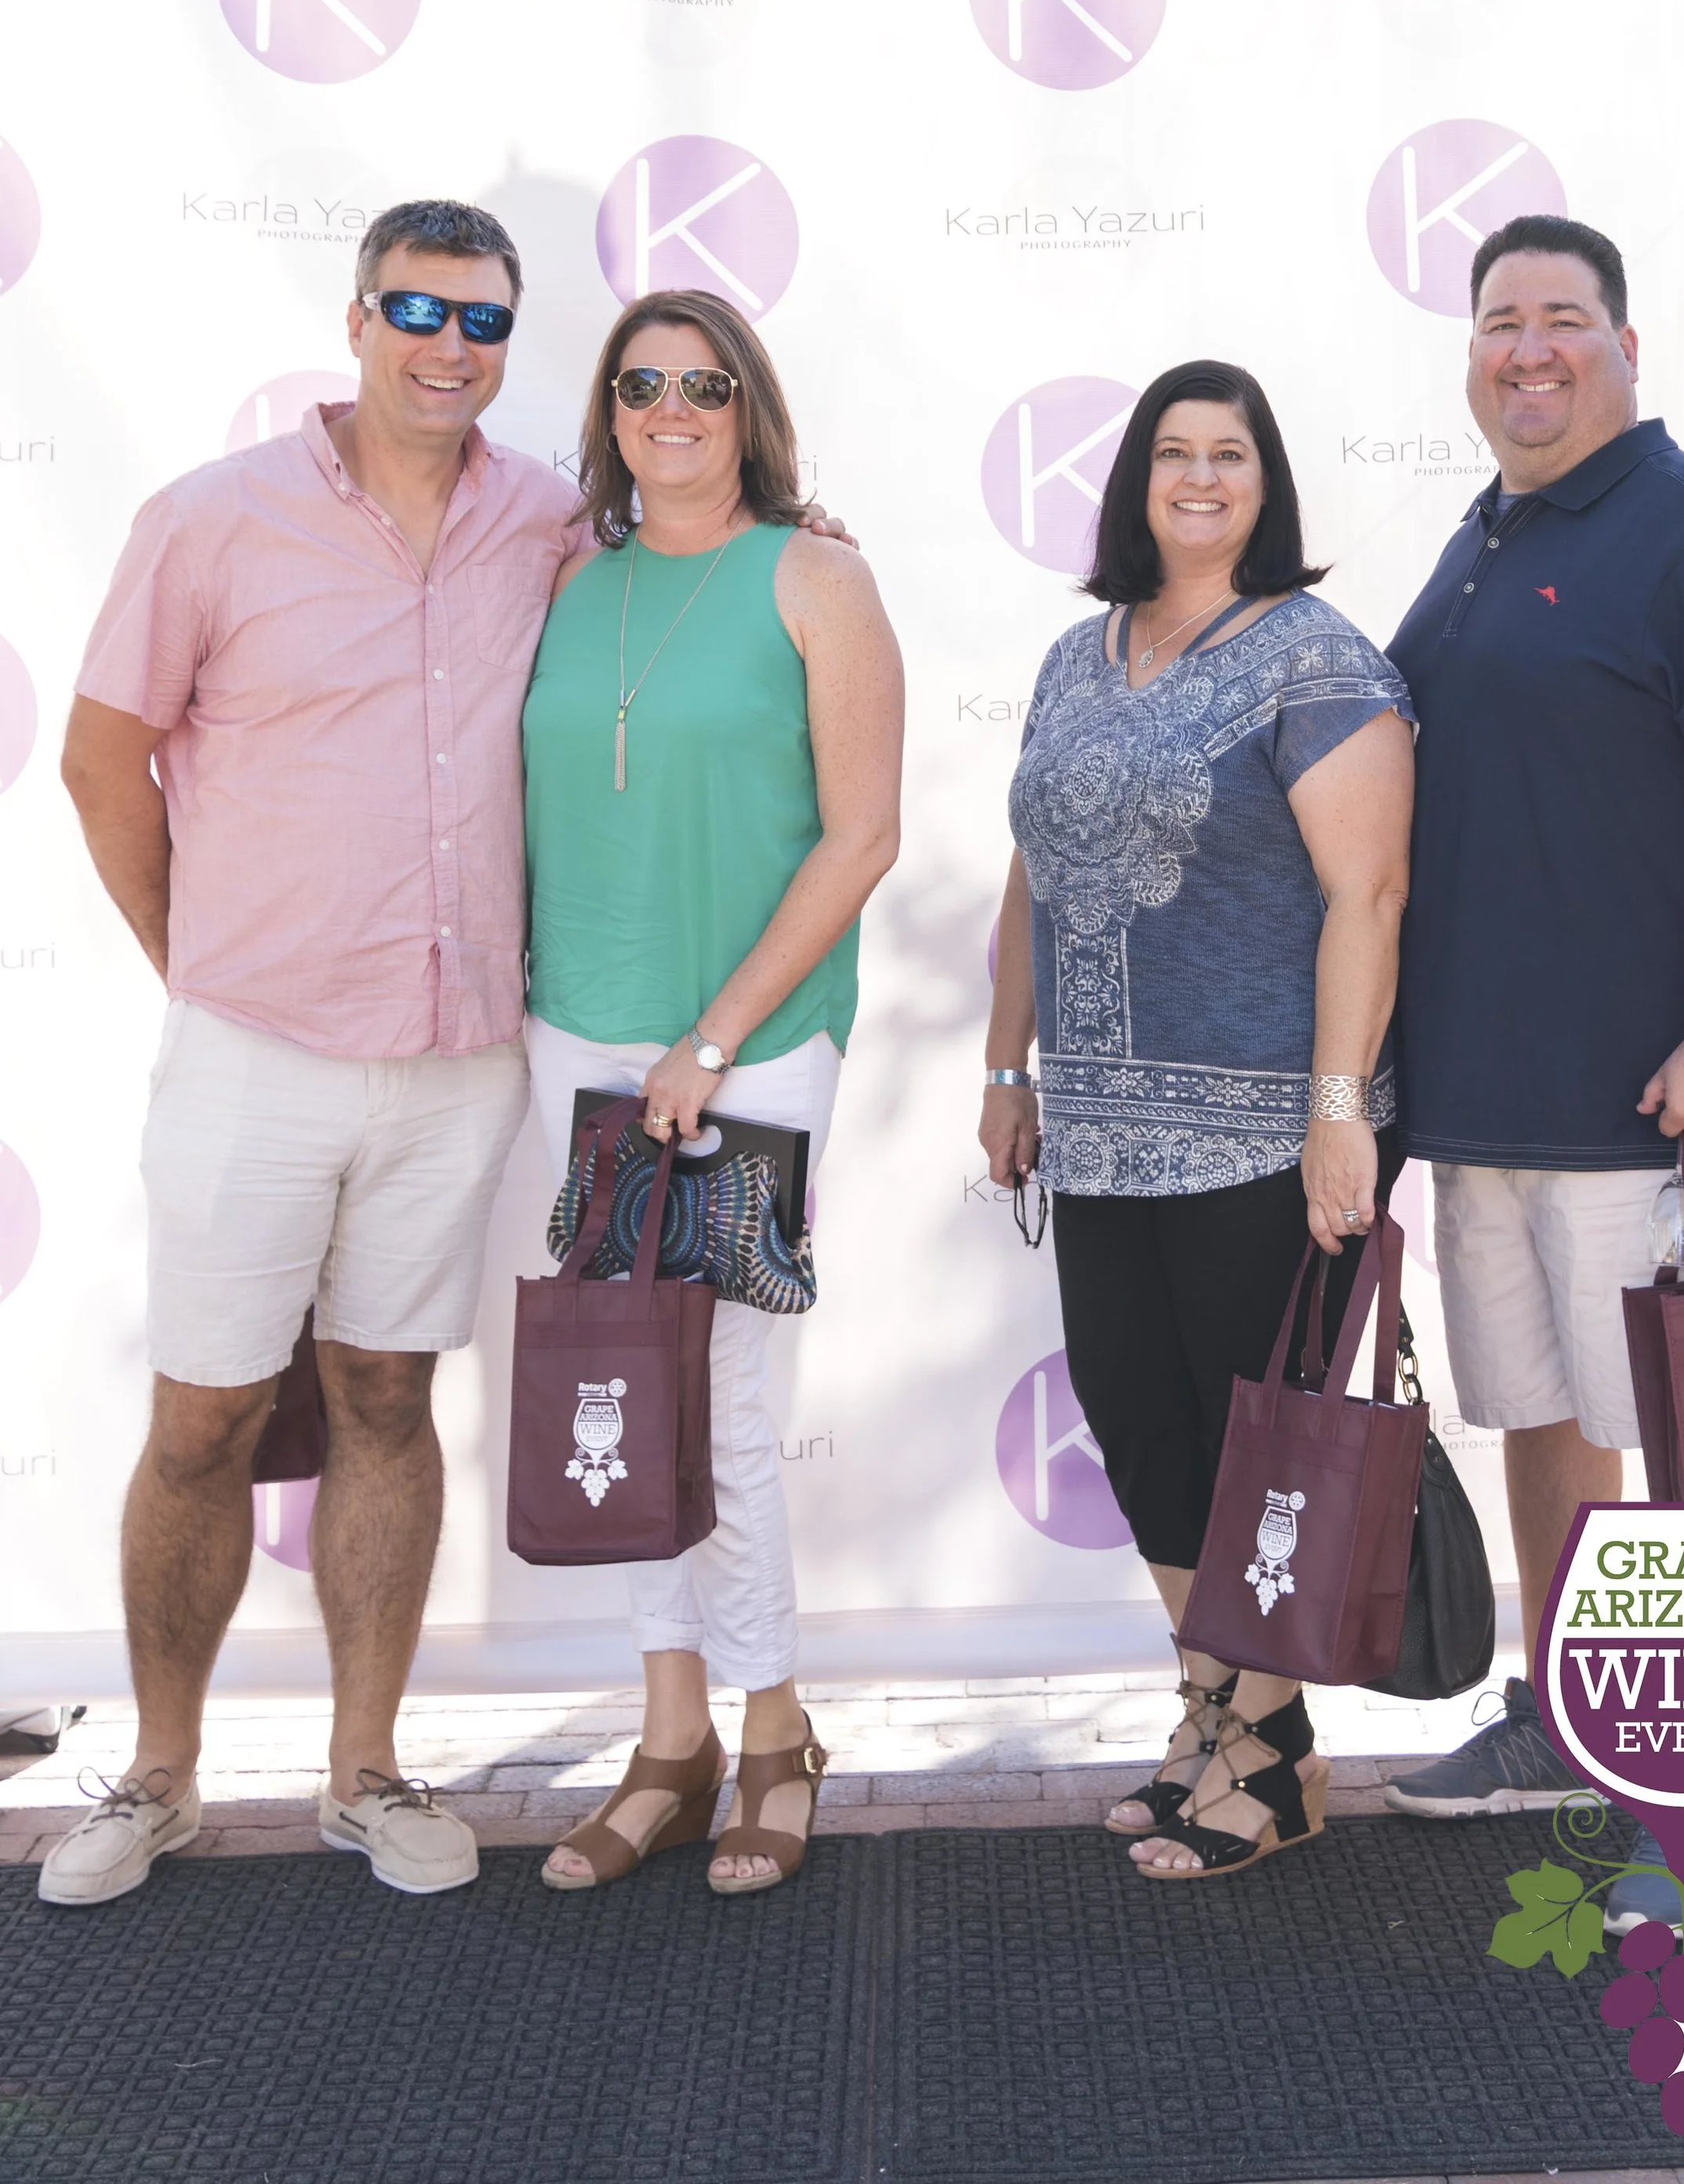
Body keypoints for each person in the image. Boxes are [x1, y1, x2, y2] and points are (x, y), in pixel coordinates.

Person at [46, 201, 569, 1905]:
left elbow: (692, 579)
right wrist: (196, 961)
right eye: (417, 309)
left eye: (481, 319)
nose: (449, 344)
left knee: (387, 1400)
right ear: (355, 320)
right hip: (253, 1052)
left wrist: (809, 533)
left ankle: (367, 1771)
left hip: (458, 1059)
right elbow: (102, 760)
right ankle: (157, 1775)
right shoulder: (211, 520)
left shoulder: (549, 519)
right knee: (203, 1418)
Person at [1377, 215, 1684, 1936]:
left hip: (1654, 1109)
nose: (1528, 348)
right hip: (1488, 1103)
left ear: (1627, 347)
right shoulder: (1482, 539)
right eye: (1499, 320)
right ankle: (1571, 1717)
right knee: (1543, 1419)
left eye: (1562, 317)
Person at [979, 360, 1414, 1881]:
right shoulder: (1074, 656)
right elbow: (1030, 876)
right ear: (1136, 480)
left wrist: (1338, 1113)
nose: (1201, 477)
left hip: (1261, 1129)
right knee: (1139, 1421)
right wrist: (1007, 1069)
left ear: (1264, 481)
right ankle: (1210, 1709)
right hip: (1096, 1127)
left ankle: (1272, 1753)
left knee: (1256, 1447)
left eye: (1229, 453)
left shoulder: (1318, 658)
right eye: (1175, 451)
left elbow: (1368, 894)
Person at [523, 288, 903, 1899]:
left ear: (748, 406)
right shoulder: (567, 580)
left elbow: (863, 835)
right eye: (638, 387)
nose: (668, 410)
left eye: (700, 384)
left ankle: (774, 1730)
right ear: (606, 414)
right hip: (574, 1042)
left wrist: (713, 1039)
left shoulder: (816, 577)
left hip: (750, 1046)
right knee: (616, 1395)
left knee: (725, 1407)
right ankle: (668, 1739)